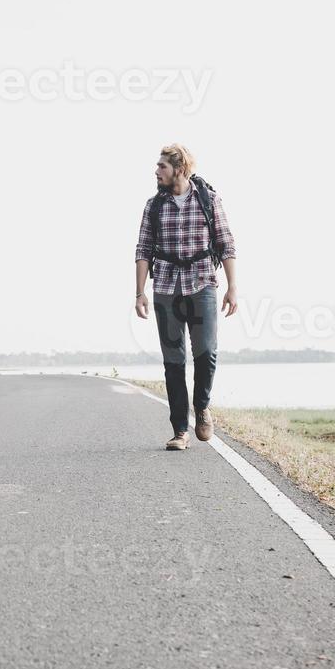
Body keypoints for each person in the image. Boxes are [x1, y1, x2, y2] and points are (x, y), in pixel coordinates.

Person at [135, 144, 237, 450]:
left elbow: (226, 243)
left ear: (179, 169)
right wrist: (139, 293)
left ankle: (201, 406)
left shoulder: (208, 200)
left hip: (203, 284)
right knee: (173, 361)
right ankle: (180, 430)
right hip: (165, 288)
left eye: (162, 166)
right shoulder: (154, 206)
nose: (156, 171)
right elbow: (142, 251)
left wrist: (232, 287)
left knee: (206, 352)